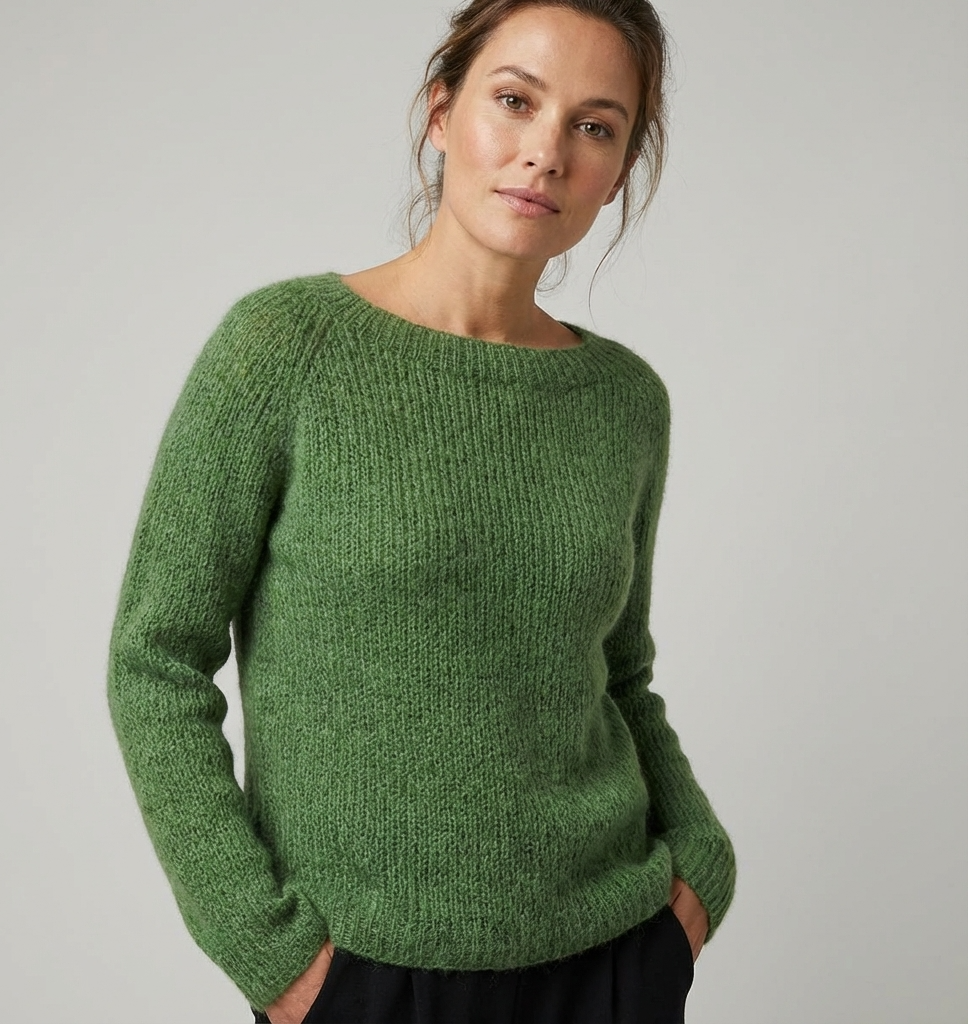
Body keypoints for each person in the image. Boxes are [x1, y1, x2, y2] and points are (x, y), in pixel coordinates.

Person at [106, 1, 738, 1021]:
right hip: (365, 974)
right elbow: (156, 660)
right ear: (441, 112)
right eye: (515, 101)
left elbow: (620, 672)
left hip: (614, 955)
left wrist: (698, 865)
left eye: (594, 126)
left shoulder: (624, 399)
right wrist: (268, 951)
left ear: (619, 169)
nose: (546, 153)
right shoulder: (283, 349)